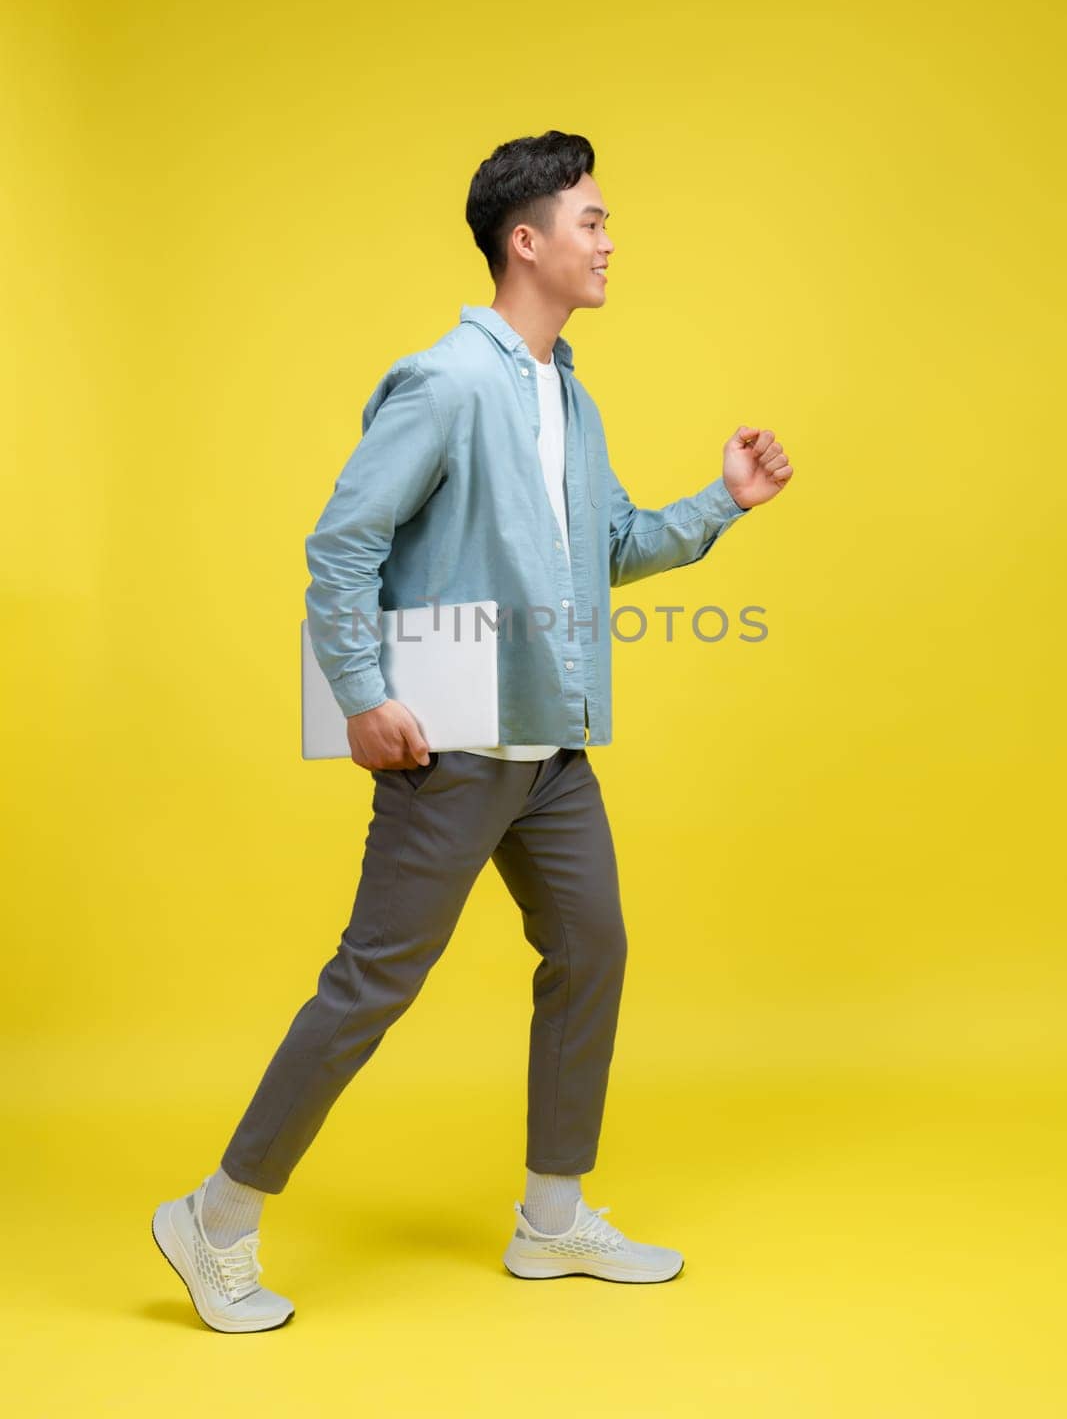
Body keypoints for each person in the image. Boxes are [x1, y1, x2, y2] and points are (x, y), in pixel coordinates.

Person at [151, 130, 793, 1331]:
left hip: (550, 749)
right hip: (451, 747)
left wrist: (721, 505)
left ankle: (552, 1218)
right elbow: (339, 545)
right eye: (591, 221)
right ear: (526, 239)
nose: (609, 241)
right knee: (371, 984)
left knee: (590, 952)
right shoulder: (444, 381)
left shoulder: (567, 393)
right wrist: (360, 693)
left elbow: (605, 549)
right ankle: (216, 1214)